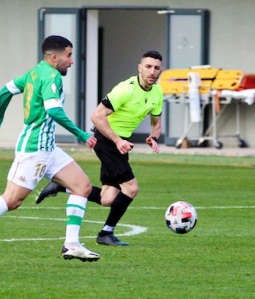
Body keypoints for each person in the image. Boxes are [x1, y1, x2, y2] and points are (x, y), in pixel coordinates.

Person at [0, 35, 99, 265]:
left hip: (48, 148)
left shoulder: (34, 72)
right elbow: (54, 111)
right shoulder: (52, 76)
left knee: (82, 186)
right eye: (69, 55)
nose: (71, 61)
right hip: (35, 149)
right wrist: (82, 134)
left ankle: (72, 244)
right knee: (11, 201)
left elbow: (6, 90)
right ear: (55, 57)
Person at [35, 51, 165, 246]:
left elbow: (156, 123)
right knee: (131, 188)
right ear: (139, 67)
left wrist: (153, 138)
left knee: (107, 198)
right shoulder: (125, 90)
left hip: (121, 142)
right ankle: (106, 233)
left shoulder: (157, 93)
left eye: (156, 68)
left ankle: (60, 187)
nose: (152, 71)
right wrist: (117, 140)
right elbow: (96, 115)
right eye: (148, 67)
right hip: (106, 139)